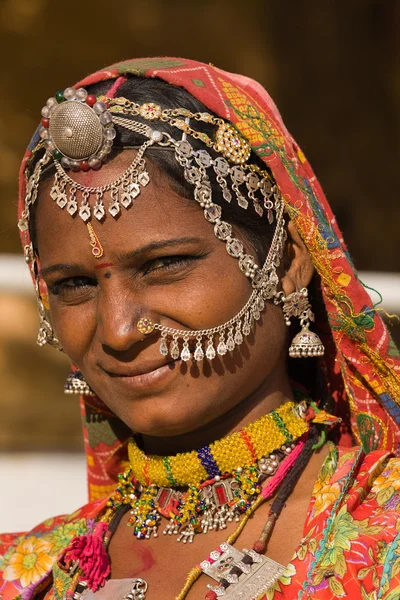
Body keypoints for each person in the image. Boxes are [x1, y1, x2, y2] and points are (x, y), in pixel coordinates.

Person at [1, 57, 400, 600]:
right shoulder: (29, 573)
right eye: (74, 285)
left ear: (285, 264)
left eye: (164, 266)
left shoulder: (383, 536)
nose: (118, 331)